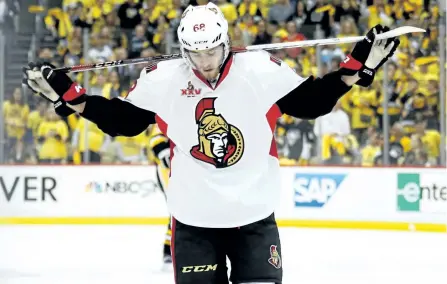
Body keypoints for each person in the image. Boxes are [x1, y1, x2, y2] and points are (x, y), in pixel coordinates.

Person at [22, 3, 399, 283]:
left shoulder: (260, 70)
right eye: (195, 53)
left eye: (212, 51)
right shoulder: (163, 79)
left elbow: (311, 102)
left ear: (225, 43)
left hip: (254, 219)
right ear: (183, 49)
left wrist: (356, 69)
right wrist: (73, 98)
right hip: (194, 223)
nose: (204, 62)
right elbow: (124, 122)